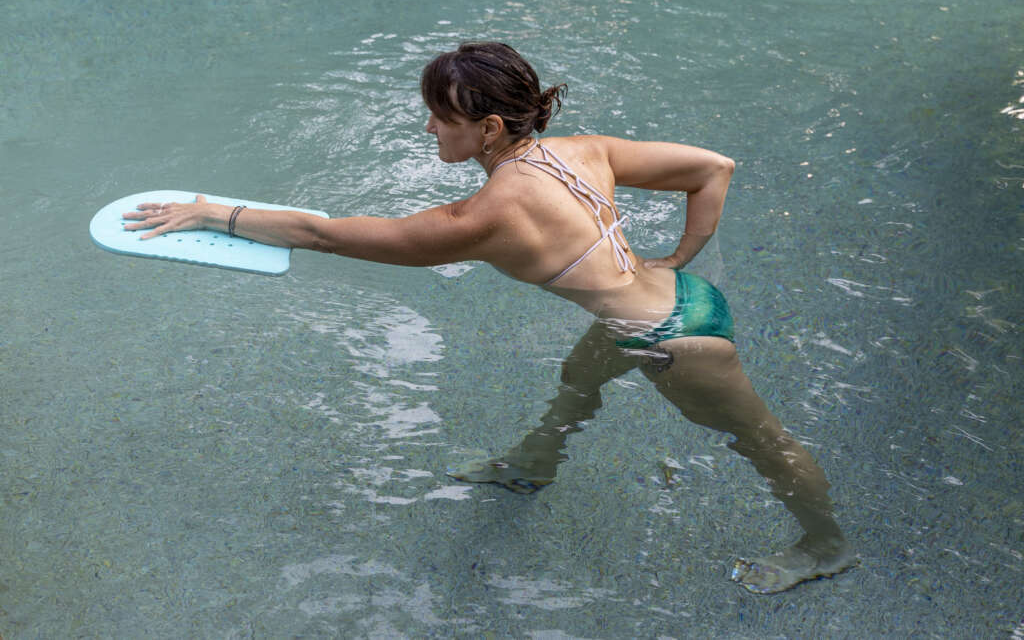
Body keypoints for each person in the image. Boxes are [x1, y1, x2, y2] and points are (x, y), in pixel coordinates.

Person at [123, 41, 855, 593]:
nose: (429, 130)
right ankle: (534, 463)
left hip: (674, 342)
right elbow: (713, 166)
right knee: (580, 375)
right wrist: (679, 254)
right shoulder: (580, 150)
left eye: (440, 120)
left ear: (489, 126)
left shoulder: (486, 215)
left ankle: (826, 547)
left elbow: (325, 233)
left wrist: (213, 210)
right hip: (677, 302)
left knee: (762, 440)